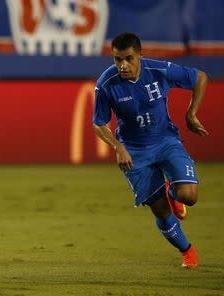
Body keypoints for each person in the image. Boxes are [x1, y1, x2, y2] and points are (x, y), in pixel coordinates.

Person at [92, 32, 208, 268]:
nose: (122, 65)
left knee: (189, 196)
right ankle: (187, 250)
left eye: (128, 58)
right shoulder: (106, 84)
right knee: (160, 210)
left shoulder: (159, 71)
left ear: (140, 56)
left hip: (165, 140)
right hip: (134, 152)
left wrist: (191, 113)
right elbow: (98, 123)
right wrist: (118, 147)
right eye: (117, 59)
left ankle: (174, 194)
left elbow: (200, 78)